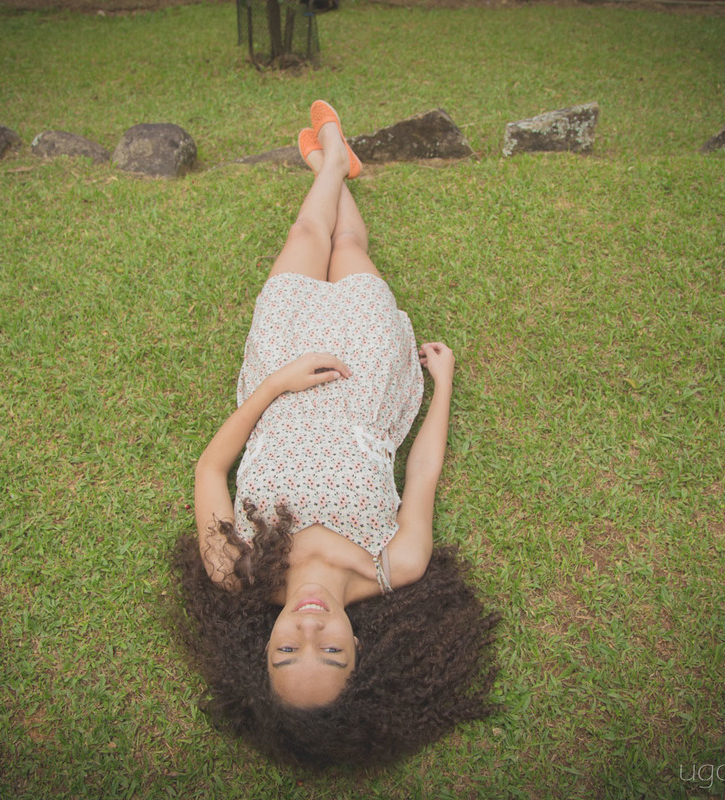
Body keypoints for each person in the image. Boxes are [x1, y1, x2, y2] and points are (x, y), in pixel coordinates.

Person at [173, 101, 498, 768]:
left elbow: (209, 470)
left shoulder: (234, 569)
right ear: (361, 651)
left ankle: (331, 156)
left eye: (286, 649)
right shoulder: (395, 565)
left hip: (282, 370)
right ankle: (332, 156)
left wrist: (275, 385)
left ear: (261, 651)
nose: (309, 624)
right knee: (348, 246)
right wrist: (444, 384)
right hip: (365, 375)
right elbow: (422, 473)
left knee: (305, 230)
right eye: (330, 649)